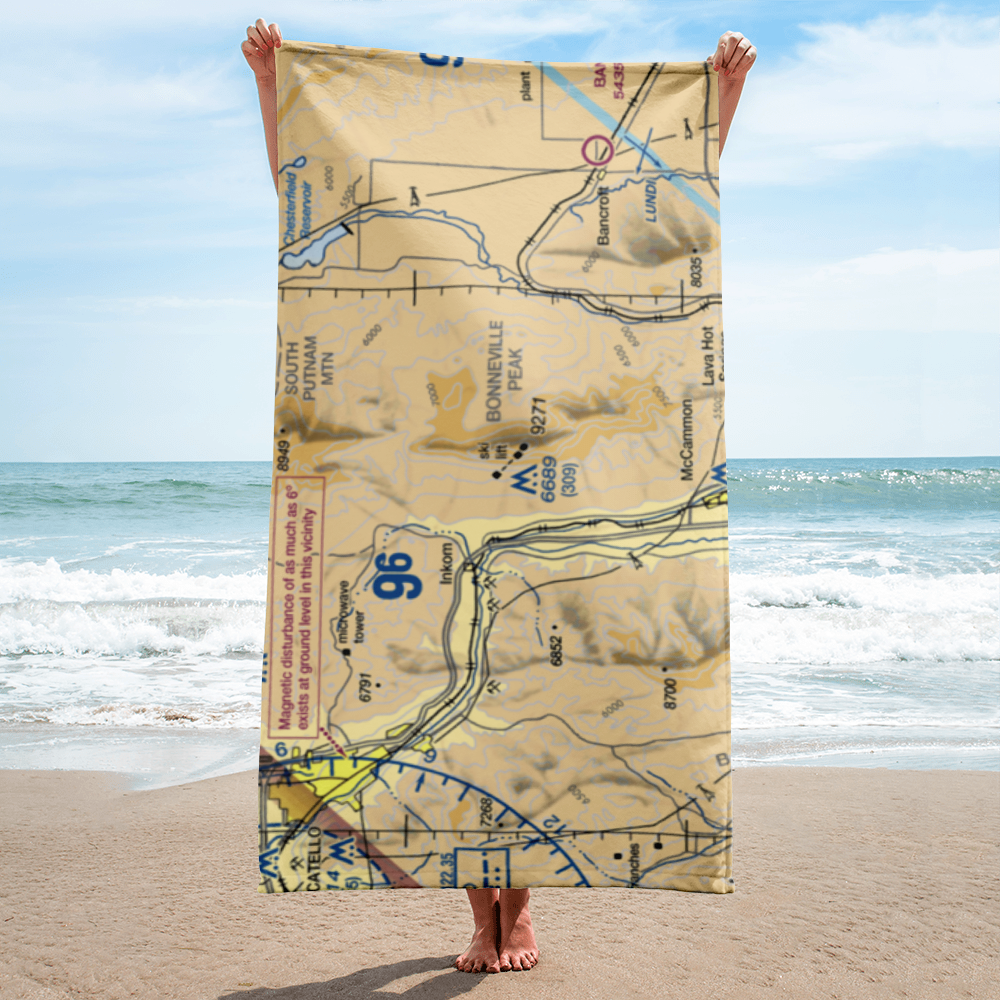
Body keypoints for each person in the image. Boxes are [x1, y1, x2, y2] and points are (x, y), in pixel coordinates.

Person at [242, 18, 755, 975]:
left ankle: (517, 914)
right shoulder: (430, 265)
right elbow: (313, 185)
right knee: (452, 713)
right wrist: (276, 86)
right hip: (444, 490)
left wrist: (720, 95)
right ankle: (484, 919)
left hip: (549, 485)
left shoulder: (553, 286)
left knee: (529, 690)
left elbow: (666, 174)